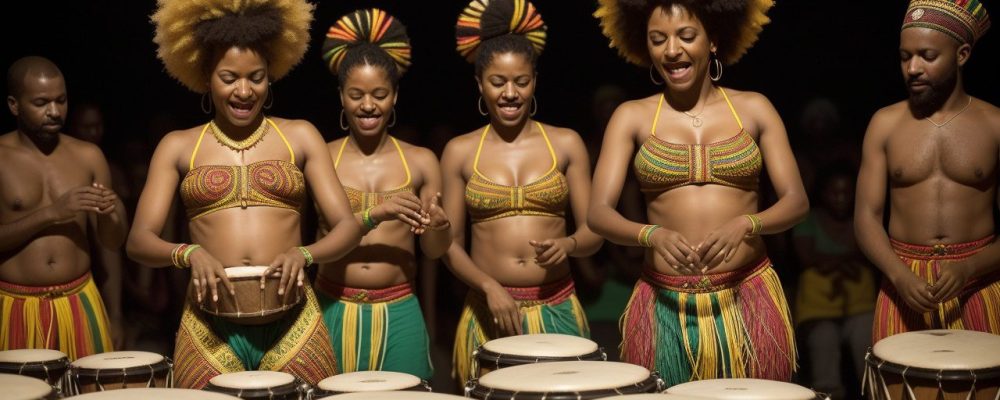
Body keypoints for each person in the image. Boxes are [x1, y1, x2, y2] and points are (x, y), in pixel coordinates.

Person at [127, 0, 361, 388]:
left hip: (294, 321)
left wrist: (304, 254)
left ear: (271, 77)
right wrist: (189, 252)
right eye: (229, 77)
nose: (244, 90)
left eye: (256, 77)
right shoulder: (177, 146)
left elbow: (347, 228)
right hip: (209, 325)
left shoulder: (299, 136)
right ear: (205, 77)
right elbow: (138, 241)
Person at [591, 0, 807, 385]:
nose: (672, 50)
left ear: (713, 41)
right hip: (666, 304)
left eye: (686, 36)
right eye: (658, 40)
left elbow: (796, 201)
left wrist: (748, 224)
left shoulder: (755, 108)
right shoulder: (632, 116)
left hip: (747, 295)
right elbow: (599, 214)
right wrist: (650, 234)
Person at [442, 0, 603, 384]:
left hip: (557, 304)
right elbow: (449, 244)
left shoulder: (566, 143)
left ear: (535, 81)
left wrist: (570, 245)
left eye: (521, 81)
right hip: (488, 310)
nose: (510, 93)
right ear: (480, 84)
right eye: (498, 82)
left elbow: (594, 230)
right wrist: (488, 285)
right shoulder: (460, 151)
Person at [315, 8, 450, 381]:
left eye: (379, 94)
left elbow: (434, 252)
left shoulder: (421, 161)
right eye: (356, 95)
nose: (368, 105)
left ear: (395, 96)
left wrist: (439, 228)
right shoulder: (322, 156)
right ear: (341, 96)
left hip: (400, 308)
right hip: (331, 305)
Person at [855, 0, 1000, 342]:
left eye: (927, 56)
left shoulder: (994, 125)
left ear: (962, 55)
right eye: (905, 57)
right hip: (903, 282)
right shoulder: (885, 124)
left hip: (978, 281)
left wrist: (968, 268)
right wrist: (898, 274)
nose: (912, 68)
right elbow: (865, 218)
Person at [0, 56, 126, 359]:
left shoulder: (89, 156)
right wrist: (51, 214)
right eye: (41, 102)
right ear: (14, 105)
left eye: (61, 100)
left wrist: (112, 215)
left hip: (80, 300)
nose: (54, 111)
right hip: (15, 304)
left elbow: (111, 244)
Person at [794, 165, 874, 400]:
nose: (840, 198)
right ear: (822, 193)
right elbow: (806, 257)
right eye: (834, 192)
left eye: (846, 192)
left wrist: (828, 261)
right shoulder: (808, 219)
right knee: (823, 339)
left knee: (865, 338)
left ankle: (872, 393)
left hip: (861, 304)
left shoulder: (863, 218)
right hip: (818, 307)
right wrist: (848, 259)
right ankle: (828, 395)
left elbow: (870, 253)